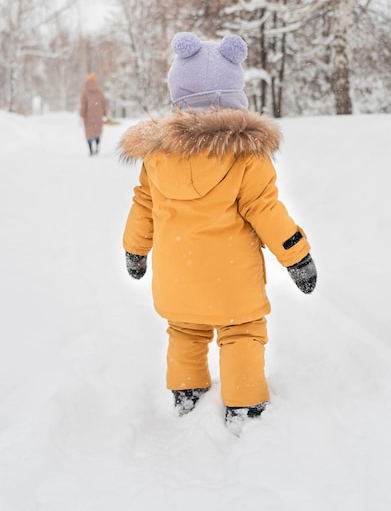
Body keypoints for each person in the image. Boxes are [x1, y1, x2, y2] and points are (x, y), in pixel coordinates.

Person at [120, 32, 317, 433]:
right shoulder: (247, 156)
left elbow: (144, 205)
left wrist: (134, 250)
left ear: (179, 95)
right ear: (234, 95)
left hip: (179, 280)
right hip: (233, 284)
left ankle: (187, 392)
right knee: (242, 332)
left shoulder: (158, 156)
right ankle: (244, 406)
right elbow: (267, 210)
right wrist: (298, 256)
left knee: (184, 331)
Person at [79, 73, 108, 155]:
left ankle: (91, 149)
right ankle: (97, 145)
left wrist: (82, 115)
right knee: (97, 131)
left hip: (88, 116)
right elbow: (103, 103)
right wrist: (105, 113)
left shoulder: (85, 91)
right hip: (99, 115)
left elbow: (83, 104)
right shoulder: (100, 90)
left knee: (89, 132)